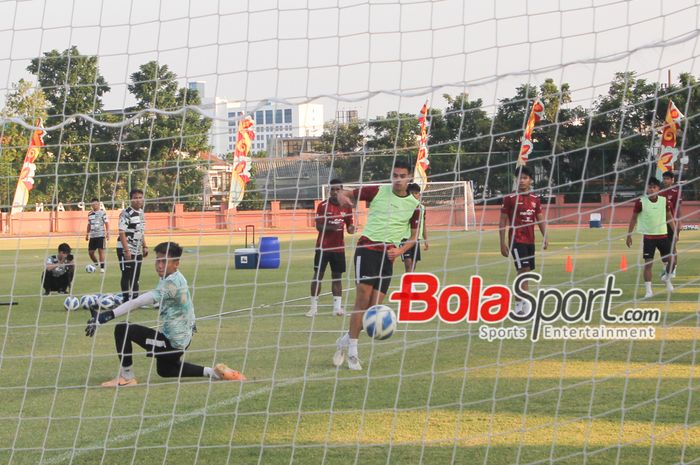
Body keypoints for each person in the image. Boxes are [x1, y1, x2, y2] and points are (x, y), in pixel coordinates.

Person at [85, 241, 245, 386]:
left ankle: (127, 377)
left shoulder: (171, 284)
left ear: (176, 264)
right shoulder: (174, 277)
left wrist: (105, 316)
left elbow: (137, 302)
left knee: (123, 330)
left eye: (164, 261)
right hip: (181, 338)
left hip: (172, 343)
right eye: (158, 260)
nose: (159, 265)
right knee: (165, 370)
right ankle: (214, 373)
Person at [332, 159, 420, 370]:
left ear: (409, 178)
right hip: (368, 249)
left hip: (388, 257)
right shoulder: (378, 191)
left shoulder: (416, 206)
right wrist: (343, 197)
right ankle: (353, 353)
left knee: (373, 309)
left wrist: (399, 250)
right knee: (361, 301)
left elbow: (414, 238)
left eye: (402, 176)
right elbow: (345, 193)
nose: (398, 180)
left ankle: (345, 340)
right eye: (395, 175)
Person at [499, 166, 548, 315]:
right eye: (519, 178)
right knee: (523, 271)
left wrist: (545, 236)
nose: (522, 180)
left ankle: (521, 303)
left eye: (525, 178)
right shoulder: (510, 199)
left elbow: (540, 219)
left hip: (530, 241)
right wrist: (502, 243)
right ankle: (521, 305)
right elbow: (502, 222)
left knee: (525, 272)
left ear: (530, 180)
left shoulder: (535, 200)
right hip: (516, 240)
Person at [307, 178, 356, 317]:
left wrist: (352, 228)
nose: (335, 192)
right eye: (332, 189)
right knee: (318, 276)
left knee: (337, 278)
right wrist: (332, 227)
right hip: (322, 248)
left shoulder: (346, 206)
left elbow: (349, 226)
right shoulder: (322, 205)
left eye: (337, 189)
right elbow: (318, 226)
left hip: (339, 249)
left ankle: (337, 308)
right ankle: (313, 308)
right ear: (329, 190)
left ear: (342, 190)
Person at [626, 176, 674, 298]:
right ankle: (649, 291)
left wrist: (676, 233)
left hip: (663, 236)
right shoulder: (641, 202)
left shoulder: (664, 201)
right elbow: (633, 218)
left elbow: (669, 218)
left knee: (671, 261)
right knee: (648, 264)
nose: (652, 189)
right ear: (646, 189)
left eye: (654, 187)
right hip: (649, 238)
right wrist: (629, 235)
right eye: (650, 187)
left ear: (658, 188)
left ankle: (666, 279)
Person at [117, 188, 148, 302]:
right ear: (131, 199)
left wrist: (144, 246)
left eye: (140, 198)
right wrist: (126, 250)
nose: (138, 200)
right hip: (125, 249)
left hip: (137, 249)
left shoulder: (141, 213)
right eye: (135, 198)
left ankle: (135, 299)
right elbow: (121, 232)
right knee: (127, 274)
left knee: (136, 275)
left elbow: (140, 231)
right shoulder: (126, 213)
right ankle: (125, 300)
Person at [402, 183, 429, 273]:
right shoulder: (403, 207)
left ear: (419, 195)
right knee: (408, 264)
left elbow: (423, 224)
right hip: (404, 238)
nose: (414, 195)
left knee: (413, 265)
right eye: (412, 193)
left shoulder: (422, 208)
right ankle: (408, 286)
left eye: (416, 193)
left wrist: (426, 239)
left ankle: (409, 284)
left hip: (416, 239)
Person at [661, 171, 681, 278]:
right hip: (661, 224)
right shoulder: (659, 192)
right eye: (664, 179)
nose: (665, 181)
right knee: (663, 247)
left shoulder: (675, 192)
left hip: (672, 223)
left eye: (667, 179)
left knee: (672, 247)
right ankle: (666, 267)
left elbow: (678, 208)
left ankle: (673, 269)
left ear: (672, 180)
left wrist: (679, 222)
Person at [86, 198, 109, 273]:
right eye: (92, 204)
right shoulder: (90, 214)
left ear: (98, 204)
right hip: (93, 236)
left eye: (95, 204)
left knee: (100, 251)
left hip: (101, 235)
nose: (94, 206)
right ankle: (96, 264)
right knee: (91, 253)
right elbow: (89, 224)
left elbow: (106, 223)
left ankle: (102, 268)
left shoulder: (103, 213)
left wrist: (107, 233)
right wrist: (87, 234)